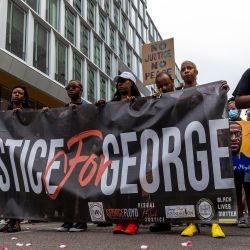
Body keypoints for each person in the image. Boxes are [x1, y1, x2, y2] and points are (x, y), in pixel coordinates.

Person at [179, 60, 228, 238]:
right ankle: (193, 223)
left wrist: (222, 92)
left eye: (189, 68)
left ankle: (215, 222)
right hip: (185, 144)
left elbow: (216, 110)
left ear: (196, 71)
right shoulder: (177, 95)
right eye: (183, 69)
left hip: (206, 142)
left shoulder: (209, 92)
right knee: (190, 183)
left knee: (211, 181)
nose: (186, 71)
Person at [108, 71, 141, 235]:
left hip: (134, 150)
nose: (119, 84)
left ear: (131, 84)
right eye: (118, 82)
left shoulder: (140, 102)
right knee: (118, 187)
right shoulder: (111, 104)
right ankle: (120, 221)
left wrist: (136, 105)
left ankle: (133, 222)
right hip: (116, 150)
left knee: (133, 186)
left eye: (123, 81)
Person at [55, 79, 87, 232]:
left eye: (75, 87)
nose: (71, 89)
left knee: (80, 187)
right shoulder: (63, 109)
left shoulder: (87, 108)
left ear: (81, 90)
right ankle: (67, 221)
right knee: (66, 187)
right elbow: (58, 126)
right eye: (69, 87)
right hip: (66, 153)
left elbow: (91, 126)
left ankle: (81, 221)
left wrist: (76, 113)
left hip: (82, 152)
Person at [0, 85, 30, 233]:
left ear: (24, 97)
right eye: (14, 92)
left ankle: (17, 221)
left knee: (18, 188)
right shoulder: (5, 113)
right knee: (7, 189)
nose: (17, 95)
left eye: (20, 93)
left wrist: (22, 116)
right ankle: (9, 220)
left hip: (21, 156)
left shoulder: (30, 113)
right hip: (6, 156)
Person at [149, 71, 174, 233]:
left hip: (181, 145)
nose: (164, 88)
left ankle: (189, 218)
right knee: (160, 184)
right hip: (161, 148)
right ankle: (163, 219)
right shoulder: (155, 101)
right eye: (160, 86)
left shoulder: (183, 95)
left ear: (172, 81)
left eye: (166, 84)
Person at [230, 122, 250, 227]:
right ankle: (240, 217)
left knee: (248, 189)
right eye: (230, 134)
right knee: (236, 190)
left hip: (247, 167)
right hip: (233, 167)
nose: (233, 138)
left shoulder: (247, 158)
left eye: (237, 134)